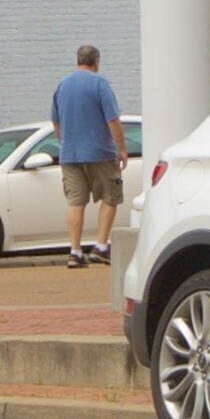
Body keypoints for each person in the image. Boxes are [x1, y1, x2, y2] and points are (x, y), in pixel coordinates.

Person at [49, 44, 126, 268]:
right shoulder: (100, 84)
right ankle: (101, 246)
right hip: (99, 152)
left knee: (75, 202)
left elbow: (56, 122)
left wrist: (65, 141)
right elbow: (113, 120)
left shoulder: (62, 85)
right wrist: (121, 148)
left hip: (70, 154)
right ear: (97, 62)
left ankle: (75, 251)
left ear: (78, 61)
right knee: (111, 197)